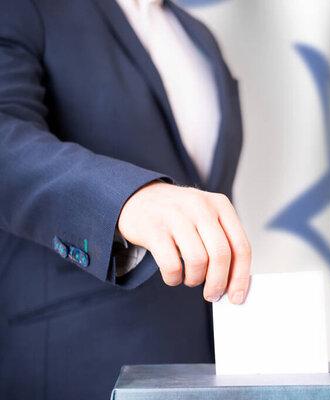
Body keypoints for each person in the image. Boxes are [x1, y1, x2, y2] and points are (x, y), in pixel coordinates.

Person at [0, 0, 250, 398]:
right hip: (78, 369)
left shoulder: (199, 38)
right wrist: (128, 199)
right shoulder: (27, 8)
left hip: (205, 371)